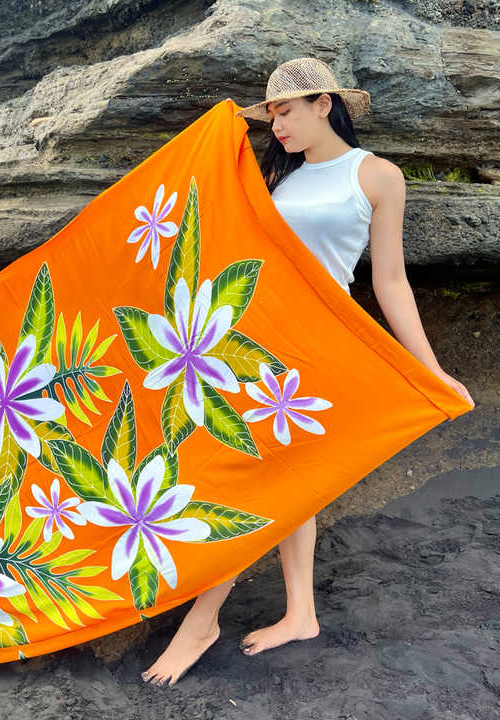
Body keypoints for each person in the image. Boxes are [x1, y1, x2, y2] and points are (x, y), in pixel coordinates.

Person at [140, 57, 475, 687]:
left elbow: (390, 281)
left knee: (260, 479)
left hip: (317, 346)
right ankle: (301, 614)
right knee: (286, 479)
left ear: (325, 104)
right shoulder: (279, 176)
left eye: (287, 111)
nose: (278, 125)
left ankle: (203, 620)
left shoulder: (376, 175)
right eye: (270, 115)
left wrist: (429, 367)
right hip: (255, 339)